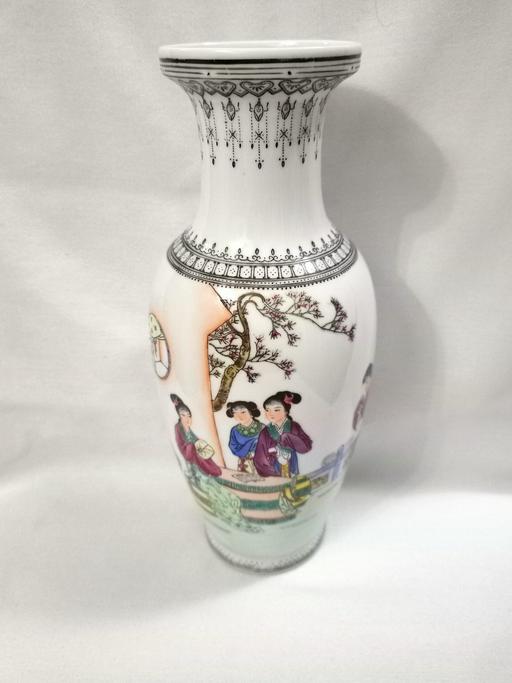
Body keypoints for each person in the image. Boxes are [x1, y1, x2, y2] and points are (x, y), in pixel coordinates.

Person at [254, 391, 312, 478]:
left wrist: (289, 438)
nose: (270, 414)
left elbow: (306, 445)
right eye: (267, 410)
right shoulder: (265, 432)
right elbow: (260, 455)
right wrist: (271, 463)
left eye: (276, 410)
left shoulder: (294, 426)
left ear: (286, 411)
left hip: (291, 463)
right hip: (274, 466)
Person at [170, 394, 221, 477]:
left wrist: (199, 442)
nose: (186, 417)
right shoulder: (178, 427)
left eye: (188, 415)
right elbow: (180, 442)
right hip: (187, 450)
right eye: (183, 415)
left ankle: (212, 470)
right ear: (179, 415)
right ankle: (205, 472)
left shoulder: (187, 426)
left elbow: (194, 438)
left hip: (193, 448)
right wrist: (191, 444)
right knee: (198, 454)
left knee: (203, 453)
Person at [226, 400, 264, 473]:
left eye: (243, 412)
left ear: (251, 413)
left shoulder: (262, 428)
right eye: (235, 413)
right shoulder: (235, 430)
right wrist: (248, 449)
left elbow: (269, 445)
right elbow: (233, 446)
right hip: (244, 463)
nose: (239, 416)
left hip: (262, 461)